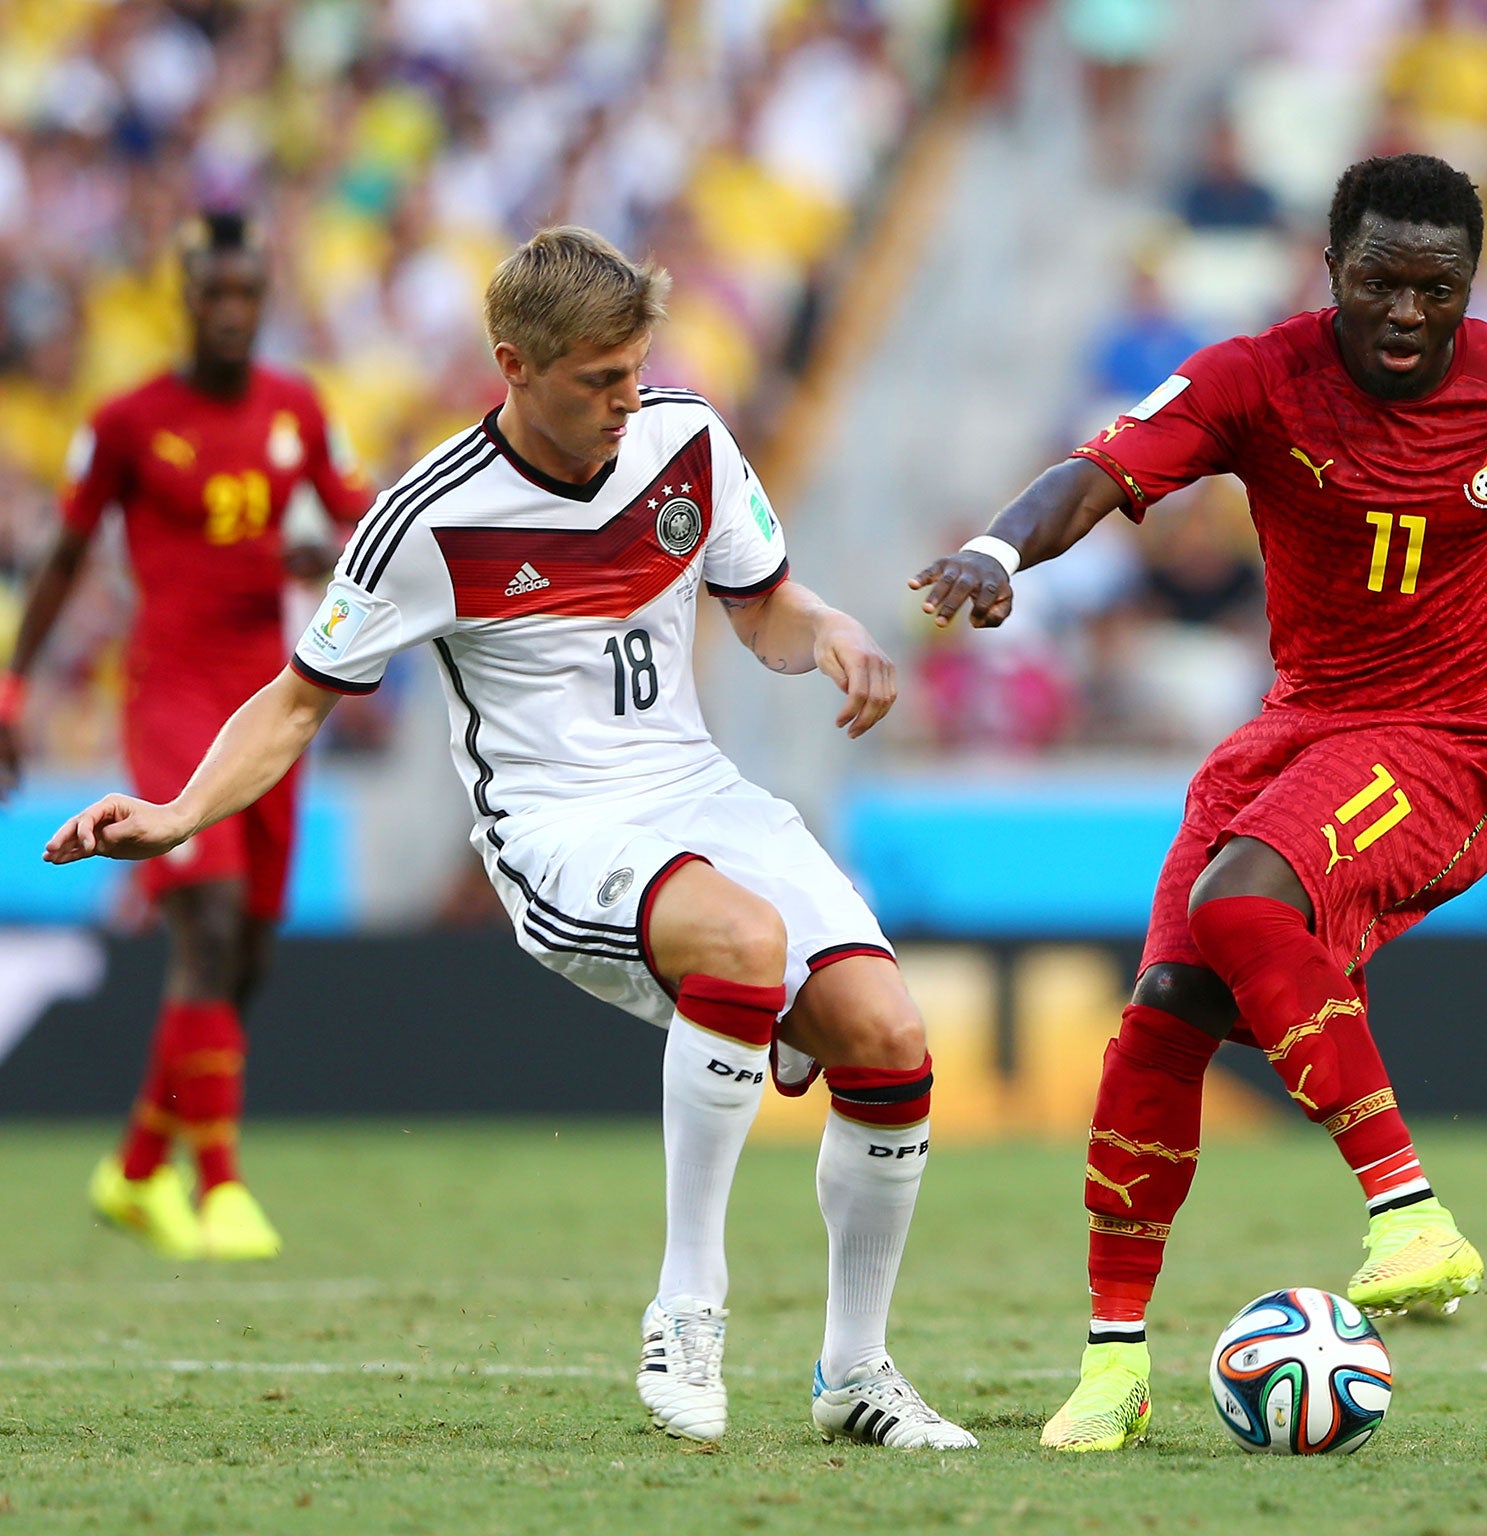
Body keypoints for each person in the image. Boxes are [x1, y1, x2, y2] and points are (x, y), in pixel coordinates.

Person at [45, 227, 975, 1451]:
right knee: (745, 944)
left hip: (699, 791)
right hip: (555, 830)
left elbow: (762, 609)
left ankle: (856, 1375)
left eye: (634, 372)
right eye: (598, 381)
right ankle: (685, 1307)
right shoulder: (424, 519)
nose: (623, 401)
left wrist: (832, 629)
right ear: (513, 365)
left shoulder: (685, 439)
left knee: (889, 1037)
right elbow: (297, 698)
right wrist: (172, 815)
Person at [911, 154, 1487, 1452]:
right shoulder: (1256, 380)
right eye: (1379, 283)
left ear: (1469, 286)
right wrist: (995, 546)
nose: (1407, 314)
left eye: (1437, 289)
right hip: (1299, 736)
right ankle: (1114, 1368)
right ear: (1330, 270)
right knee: (1162, 1017)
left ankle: (1408, 1212)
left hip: (1455, 743)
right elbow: (1102, 468)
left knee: (1241, 899)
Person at [2, 211, 373, 1262]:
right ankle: (216, 1187)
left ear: (262, 300)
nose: (228, 314)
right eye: (212, 296)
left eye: (245, 296)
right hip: (168, 694)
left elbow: (362, 523)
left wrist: (323, 563)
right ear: (185, 301)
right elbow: (67, 559)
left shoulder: (297, 408)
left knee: (247, 956)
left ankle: (131, 1173)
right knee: (204, 925)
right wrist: (15, 687)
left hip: (273, 697)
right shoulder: (127, 424)